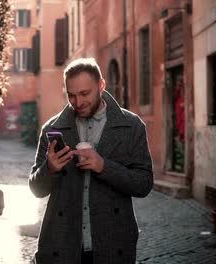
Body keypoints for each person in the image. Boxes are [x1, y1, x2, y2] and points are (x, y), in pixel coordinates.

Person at [29, 58, 154, 264]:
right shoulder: (53, 129)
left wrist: (104, 166)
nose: (78, 103)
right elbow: (36, 189)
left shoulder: (131, 127)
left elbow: (144, 184)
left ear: (101, 86)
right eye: (71, 95)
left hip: (113, 245)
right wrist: (49, 168)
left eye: (85, 94)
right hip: (62, 245)